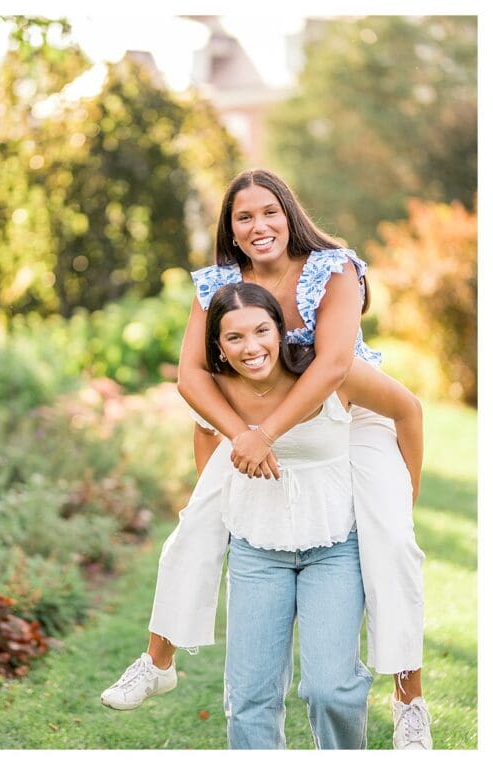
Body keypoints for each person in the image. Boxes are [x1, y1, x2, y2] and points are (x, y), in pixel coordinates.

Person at [100, 169, 431, 749]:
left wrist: (265, 434)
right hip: (257, 417)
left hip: (351, 415)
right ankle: (158, 660)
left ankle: (409, 694)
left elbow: (330, 366)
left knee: (393, 539)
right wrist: (241, 437)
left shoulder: (334, 267)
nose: (259, 226)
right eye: (243, 217)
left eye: (269, 212)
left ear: (289, 213)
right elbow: (191, 376)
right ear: (230, 228)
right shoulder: (221, 284)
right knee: (197, 519)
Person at [203, 282, 422, 748]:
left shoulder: (333, 375)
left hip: (333, 548)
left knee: (332, 691)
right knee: (250, 698)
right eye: (234, 337)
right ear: (218, 348)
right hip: (256, 552)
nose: (252, 347)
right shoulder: (219, 390)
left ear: (282, 331)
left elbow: (408, 410)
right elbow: (204, 434)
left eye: (262, 330)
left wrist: (408, 493)